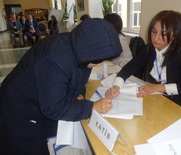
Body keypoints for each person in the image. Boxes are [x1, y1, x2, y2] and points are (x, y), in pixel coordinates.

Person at [0, 18, 122, 154]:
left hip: (42, 103)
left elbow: (79, 75)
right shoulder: (55, 58)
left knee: (46, 143)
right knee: (26, 148)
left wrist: (79, 93)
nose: (100, 64)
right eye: (100, 61)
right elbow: (52, 107)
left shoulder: (80, 48)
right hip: (21, 110)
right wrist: (92, 106)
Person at [105, 10, 181, 118]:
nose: (156, 38)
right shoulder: (150, 48)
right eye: (154, 31)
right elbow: (128, 69)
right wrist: (116, 86)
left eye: (163, 34)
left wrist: (159, 87)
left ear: (175, 35)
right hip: (162, 102)